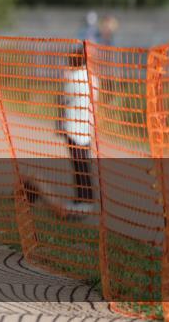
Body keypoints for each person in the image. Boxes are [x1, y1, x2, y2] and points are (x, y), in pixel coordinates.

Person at [62, 47, 96, 214]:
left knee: (78, 166)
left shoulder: (74, 78)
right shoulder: (92, 78)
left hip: (73, 128)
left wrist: (65, 78)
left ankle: (84, 199)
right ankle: (84, 198)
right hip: (86, 128)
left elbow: (64, 98)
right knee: (84, 164)